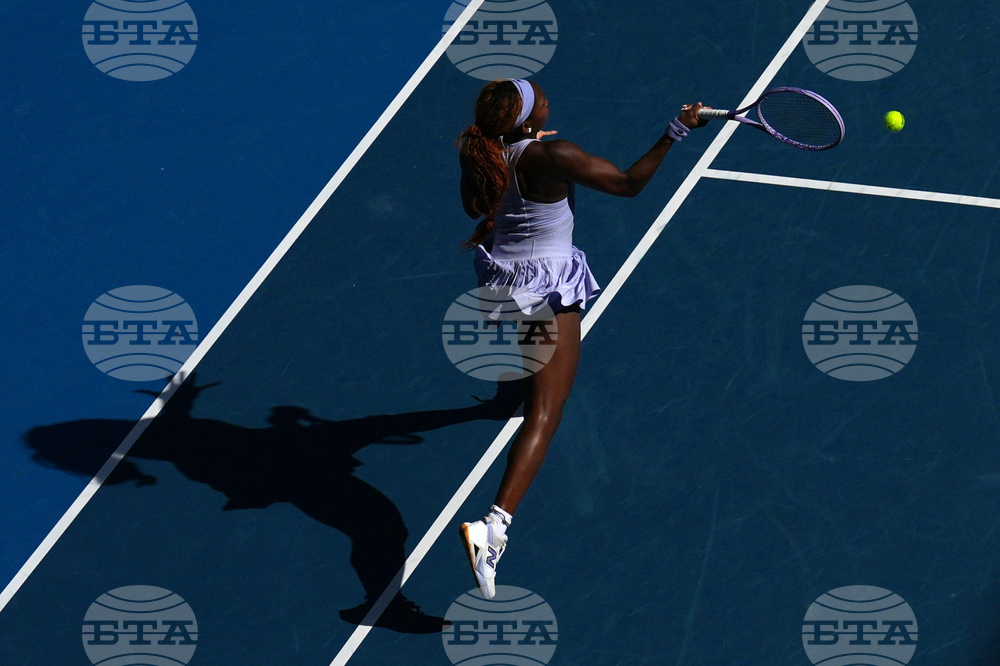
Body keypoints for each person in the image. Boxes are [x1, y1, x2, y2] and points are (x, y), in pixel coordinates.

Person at [456, 78, 709, 599]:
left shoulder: (484, 152)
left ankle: (516, 388)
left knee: (533, 377)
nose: (548, 99)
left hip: (509, 279)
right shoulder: (555, 155)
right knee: (547, 412)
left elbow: (476, 205)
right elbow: (627, 184)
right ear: (528, 118)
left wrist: (526, 145)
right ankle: (493, 528)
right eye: (540, 99)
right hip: (546, 290)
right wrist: (676, 130)